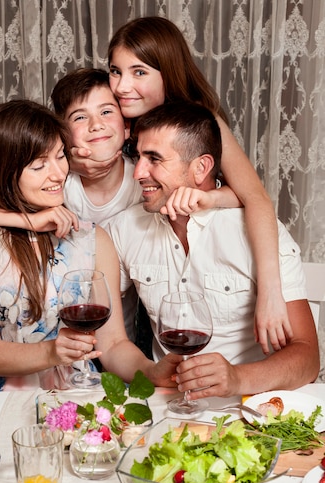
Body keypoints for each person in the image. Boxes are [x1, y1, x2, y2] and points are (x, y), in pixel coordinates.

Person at [70, 16, 292, 356]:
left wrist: (271, 292)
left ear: (168, 73)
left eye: (139, 72)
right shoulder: (111, 115)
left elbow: (255, 198)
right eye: (116, 71)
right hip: (123, 267)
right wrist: (71, 164)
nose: (122, 86)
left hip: (168, 265)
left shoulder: (198, 122)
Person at [0, 99, 179, 392]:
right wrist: (52, 351)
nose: (58, 174)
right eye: (39, 165)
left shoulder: (92, 238)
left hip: (78, 394)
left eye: (59, 156)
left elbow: (114, 344)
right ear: (4, 171)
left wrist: (152, 371)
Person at [107, 101, 319, 399]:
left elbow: (307, 359)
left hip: (246, 411)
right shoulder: (124, 228)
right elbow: (111, 341)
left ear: (201, 167)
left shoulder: (256, 232)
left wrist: (236, 378)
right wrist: (150, 371)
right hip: (164, 406)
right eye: (137, 156)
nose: (138, 172)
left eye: (154, 159)